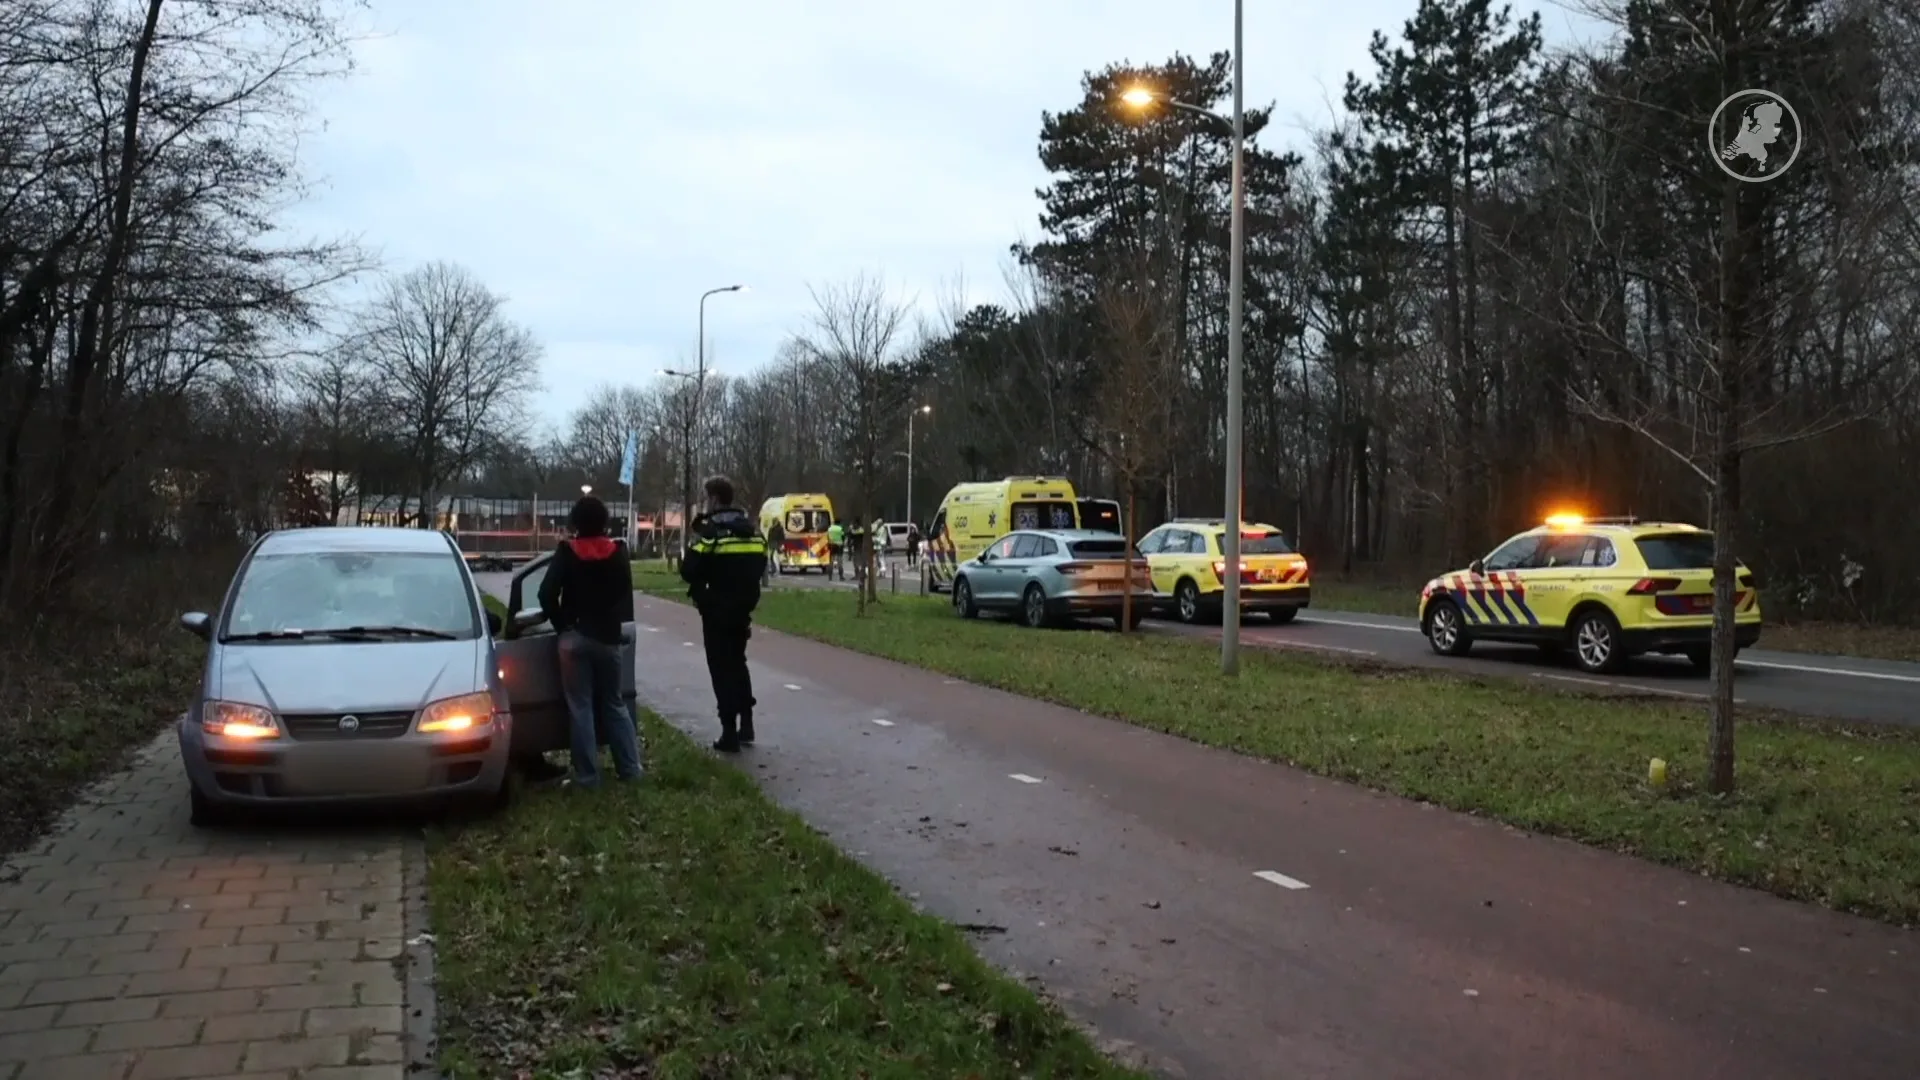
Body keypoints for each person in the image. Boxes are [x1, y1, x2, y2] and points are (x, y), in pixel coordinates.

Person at [536, 496, 642, 786]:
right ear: (605, 521)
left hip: (575, 638)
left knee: (580, 707)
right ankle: (631, 769)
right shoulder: (617, 551)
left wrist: (563, 626)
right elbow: (623, 591)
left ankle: (587, 776)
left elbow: (545, 594)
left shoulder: (567, 551)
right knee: (614, 704)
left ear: (575, 522)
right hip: (608, 638)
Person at [680, 475, 766, 753]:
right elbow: (760, 563)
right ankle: (747, 723)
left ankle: (729, 731)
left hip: (715, 609)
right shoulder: (751, 530)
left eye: (706, 497)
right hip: (743, 609)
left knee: (721, 668)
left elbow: (689, 570)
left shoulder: (711, 531)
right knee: (738, 663)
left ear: (714, 499)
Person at [764, 517, 785, 584]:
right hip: (772, 544)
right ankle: (774, 570)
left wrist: (781, 544)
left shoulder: (779, 528)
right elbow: (769, 537)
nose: (774, 522)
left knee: (777, 557)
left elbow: (782, 537)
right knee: (772, 557)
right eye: (773, 521)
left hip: (777, 544)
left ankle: (777, 570)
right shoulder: (771, 528)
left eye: (774, 521)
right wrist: (769, 543)